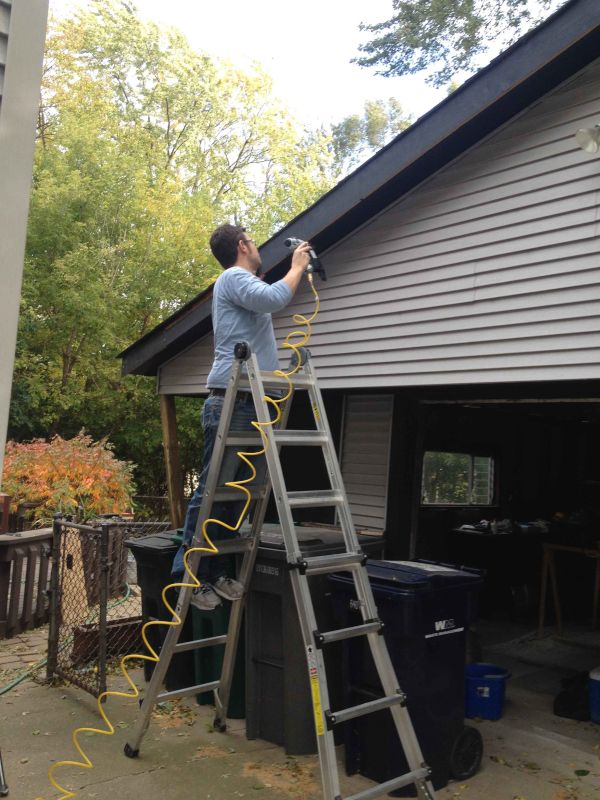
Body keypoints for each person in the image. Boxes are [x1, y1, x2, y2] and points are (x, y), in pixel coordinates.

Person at [171, 224, 311, 610]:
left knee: (236, 493)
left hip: (253, 397)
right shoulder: (233, 277)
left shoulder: (243, 283)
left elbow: (266, 297)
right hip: (232, 398)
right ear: (242, 245)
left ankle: (214, 572)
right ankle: (188, 575)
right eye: (253, 240)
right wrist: (297, 264)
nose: (258, 246)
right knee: (213, 488)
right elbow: (273, 299)